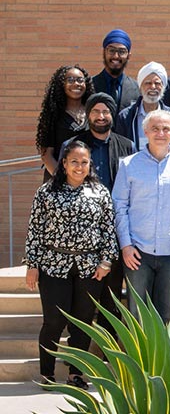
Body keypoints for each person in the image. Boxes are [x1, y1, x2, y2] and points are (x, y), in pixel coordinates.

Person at [24, 140, 118, 389]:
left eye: (84, 162)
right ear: (64, 163)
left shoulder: (100, 192)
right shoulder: (46, 192)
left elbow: (108, 231)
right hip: (54, 264)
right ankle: (47, 373)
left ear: (90, 164)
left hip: (90, 267)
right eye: (74, 161)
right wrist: (32, 263)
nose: (79, 166)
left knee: (82, 321)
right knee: (54, 321)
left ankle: (77, 373)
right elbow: (35, 229)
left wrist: (106, 262)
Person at [112, 110, 170, 321]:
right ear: (145, 132)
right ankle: (138, 355)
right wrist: (126, 245)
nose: (161, 133)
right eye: (155, 129)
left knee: (168, 314)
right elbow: (119, 206)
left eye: (166, 129)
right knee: (136, 313)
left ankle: (163, 356)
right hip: (137, 252)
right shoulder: (129, 165)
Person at [61, 93, 132, 342]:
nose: (101, 116)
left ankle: (109, 361)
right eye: (95, 112)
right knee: (82, 306)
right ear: (88, 114)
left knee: (111, 302)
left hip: (114, 233)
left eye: (105, 112)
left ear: (112, 115)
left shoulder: (126, 145)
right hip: (82, 240)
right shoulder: (73, 144)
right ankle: (78, 364)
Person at [37, 65, 94, 178]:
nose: (76, 84)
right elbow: (46, 155)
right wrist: (64, 181)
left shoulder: (92, 112)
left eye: (80, 80)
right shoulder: (53, 114)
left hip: (87, 179)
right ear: (61, 84)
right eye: (70, 80)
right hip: (58, 179)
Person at [116, 62, 170, 151]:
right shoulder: (126, 116)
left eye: (157, 83)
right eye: (148, 83)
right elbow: (121, 148)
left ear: (163, 87)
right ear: (140, 86)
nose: (153, 87)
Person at [92, 29, 139, 115]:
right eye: (111, 50)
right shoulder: (90, 85)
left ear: (128, 56)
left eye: (122, 52)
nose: (116, 56)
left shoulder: (137, 88)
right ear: (104, 52)